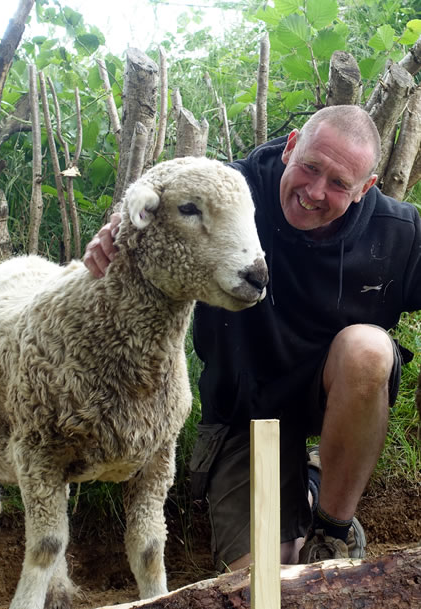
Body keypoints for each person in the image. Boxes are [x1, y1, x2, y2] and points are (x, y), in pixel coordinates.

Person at [83, 105, 421, 569]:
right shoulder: (226, 195)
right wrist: (120, 231)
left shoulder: (399, 232)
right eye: (310, 167)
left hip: (334, 400)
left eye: (340, 184)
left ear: (366, 188)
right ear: (290, 147)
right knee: (266, 579)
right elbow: (164, 210)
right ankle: (307, 485)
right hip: (247, 415)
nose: (315, 192)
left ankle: (332, 530)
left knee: (367, 349)